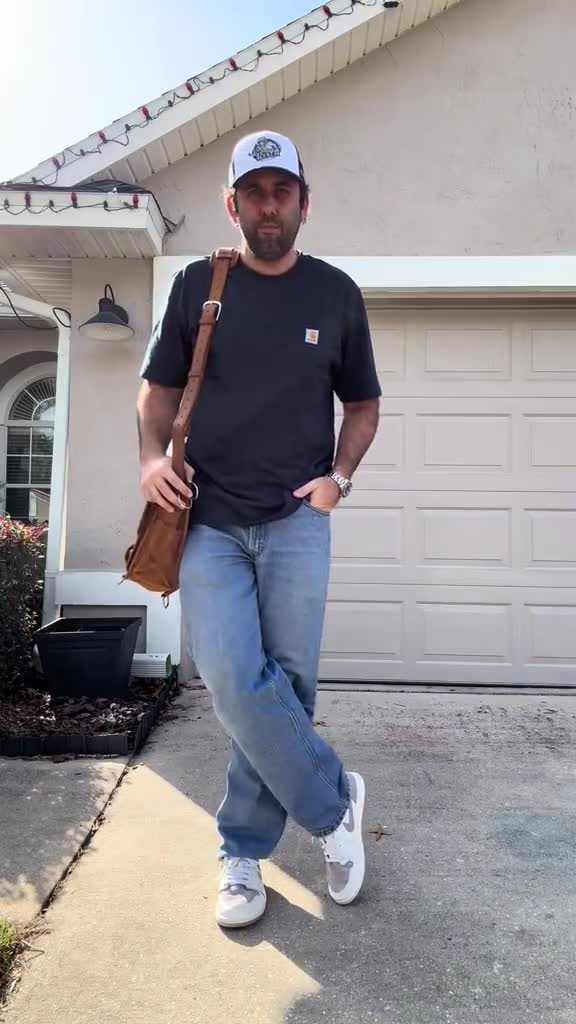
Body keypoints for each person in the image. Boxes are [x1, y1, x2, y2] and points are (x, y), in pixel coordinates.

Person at [137, 130, 381, 929]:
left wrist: (339, 480)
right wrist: (150, 459)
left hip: (297, 520)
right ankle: (333, 803)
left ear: (304, 203)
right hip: (206, 517)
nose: (268, 207)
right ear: (231, 204)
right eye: (254, 193)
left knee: (287, 688)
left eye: (282, 192)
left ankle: (241, 851)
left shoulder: (336, 294)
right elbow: (156, 391)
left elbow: (363, 403)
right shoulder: (197, 286)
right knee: (234, 679)